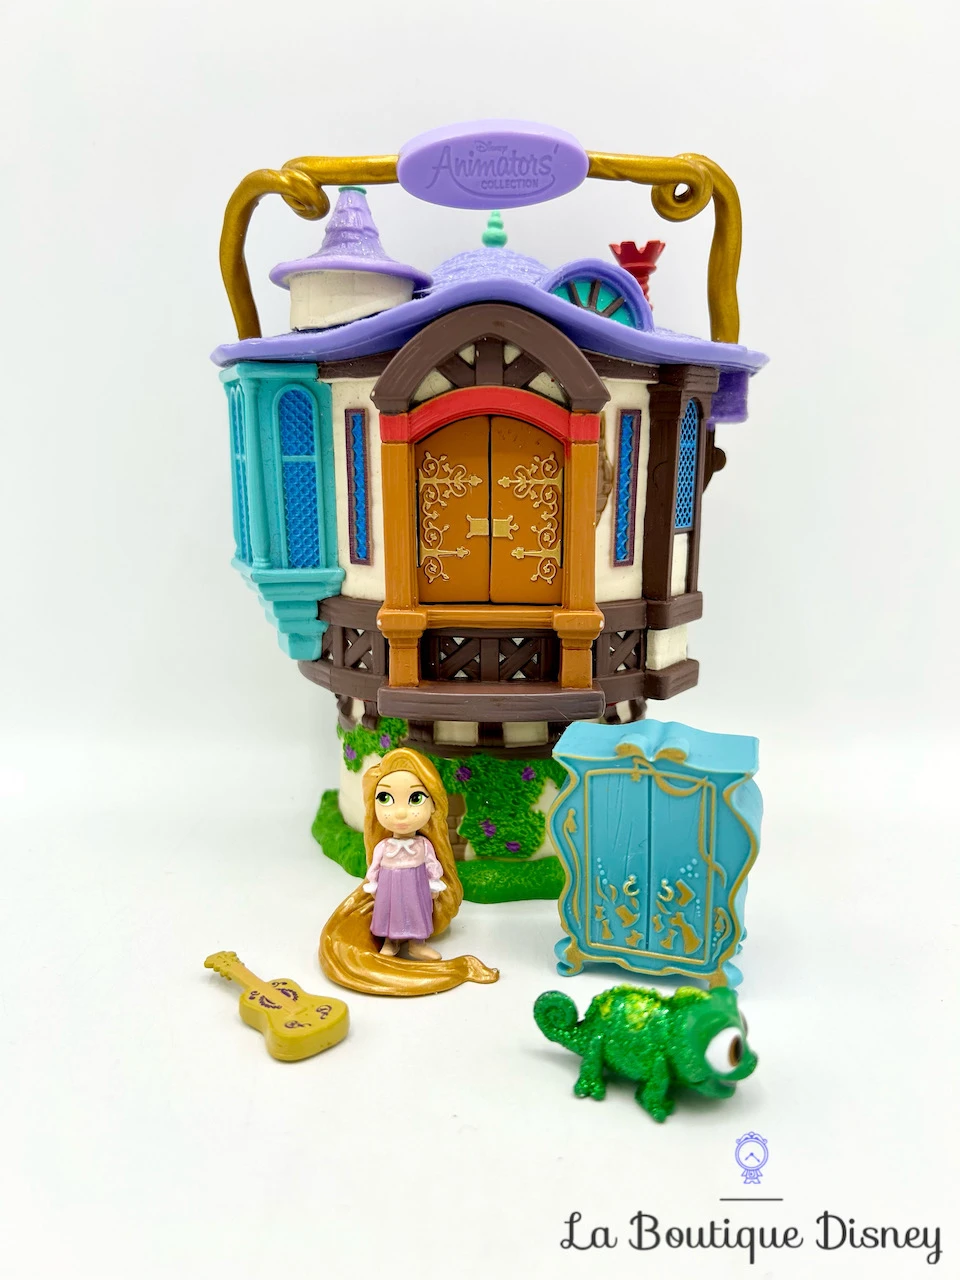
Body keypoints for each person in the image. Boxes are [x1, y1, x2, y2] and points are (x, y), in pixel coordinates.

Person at [319, 747, 499, 996]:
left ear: (433, 804)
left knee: (416, 913)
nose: (401, 812)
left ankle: (416, 943)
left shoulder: (423, 845)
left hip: (415, 885)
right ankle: (391, 942)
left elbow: (433, 866)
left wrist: (435, 885)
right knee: (391, 913)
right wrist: (373, 886)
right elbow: (374, 869)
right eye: (385, 798)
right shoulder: (384, 846)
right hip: (390, 887)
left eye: (415, 799)